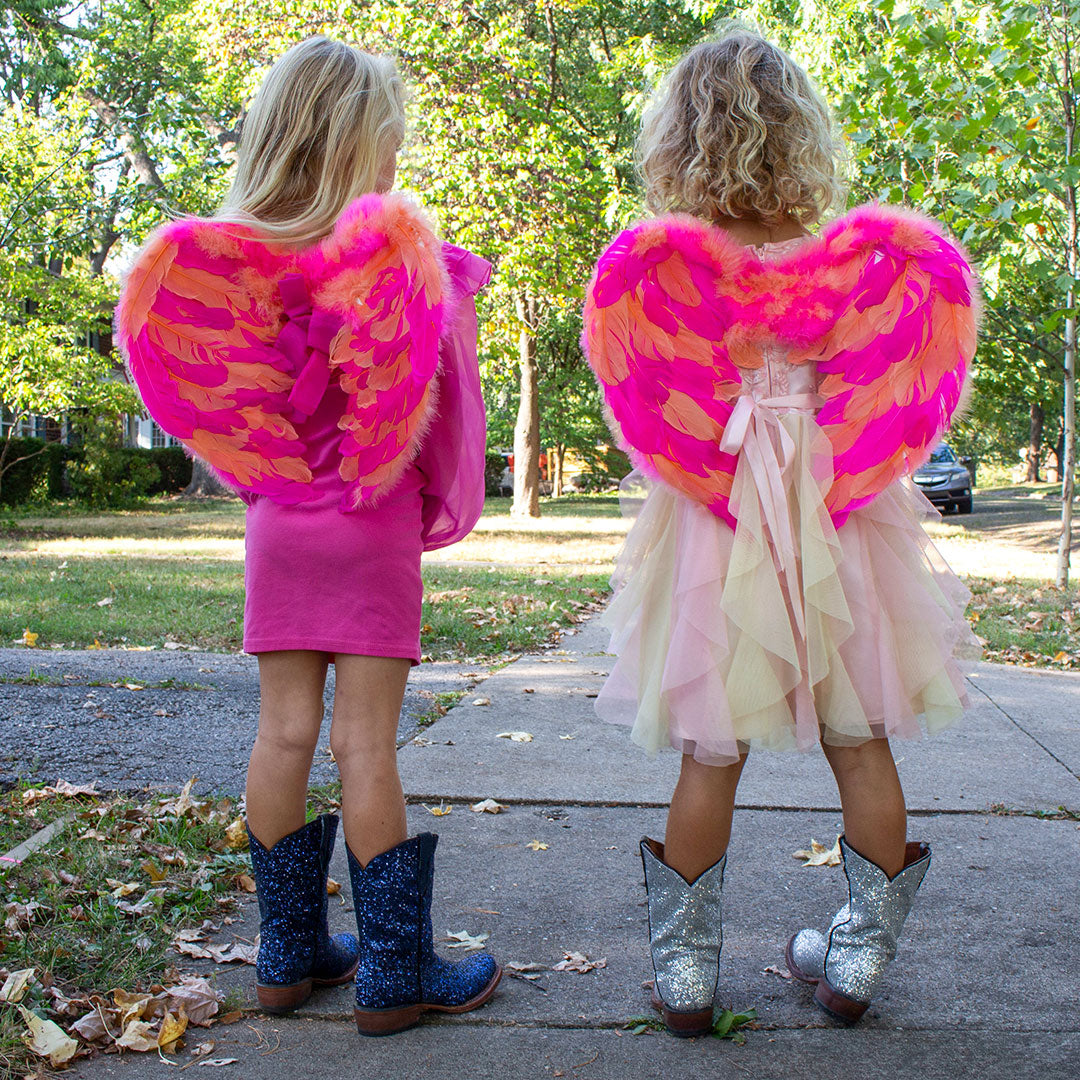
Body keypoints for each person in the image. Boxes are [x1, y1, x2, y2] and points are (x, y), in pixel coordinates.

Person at [582, 29, 980, 1034]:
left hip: (719, 514)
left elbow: (647, 394)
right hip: (840, 510)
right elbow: (892, 378)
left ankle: (684, 980)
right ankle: (854, 963)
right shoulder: (848, 265)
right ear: (800, 135)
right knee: (863, 739)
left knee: (709, 752)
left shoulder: (670, 269)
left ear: (681, 139)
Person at [117, 36, 500, 1036]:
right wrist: (442, 508)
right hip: (370, 527)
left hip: (279, 524)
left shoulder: (225, 270)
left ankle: (286, 953)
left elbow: (205, 399)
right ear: (361, 150)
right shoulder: (402, 263)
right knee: (365, 741)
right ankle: (395, 970)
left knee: (282, 731)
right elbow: (448, 415)